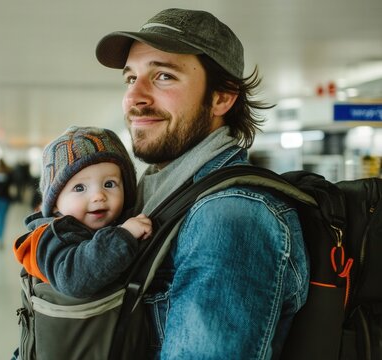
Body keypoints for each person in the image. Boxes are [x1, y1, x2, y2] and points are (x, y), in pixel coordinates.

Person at [95, 8, 308, 359]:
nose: (135, 98)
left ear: (222, 97)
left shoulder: (230, 217)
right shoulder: (144, 198)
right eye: (130, 78)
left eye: (163, 76)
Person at [13, 126, 152, 298]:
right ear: (55, 204)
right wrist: (124, 236)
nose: (98, 196)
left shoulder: (118, 219)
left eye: (109, 184)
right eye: (79, 188)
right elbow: (72, 279)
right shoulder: (54, 236)